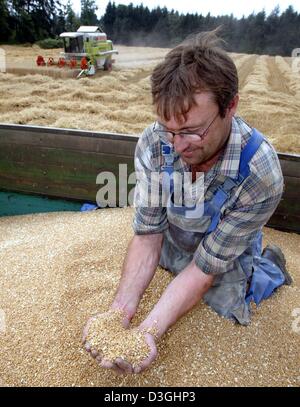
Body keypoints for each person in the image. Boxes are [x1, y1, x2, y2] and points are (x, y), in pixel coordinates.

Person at [82, 29, 292, 375]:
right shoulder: (154, 143)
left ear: (231, 105)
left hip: (221, 250)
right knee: (165, 264)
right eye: (169, 129)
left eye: (192, 130)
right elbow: (149, 235)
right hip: (175, 233)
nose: (178, 146)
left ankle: (269, 268)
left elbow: (206, 268)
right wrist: (119, 313)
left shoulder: (260, 173)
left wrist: (149, 332)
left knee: (229, 300)